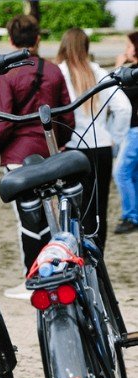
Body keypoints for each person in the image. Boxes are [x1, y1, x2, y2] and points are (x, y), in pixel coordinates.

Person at [0, 14, 75, 300]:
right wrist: (56, 145)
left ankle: (33, 276)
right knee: (52, 217)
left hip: (18, 157)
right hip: (49, 153)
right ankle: (57, 271)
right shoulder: (52, 71)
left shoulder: (7, 75)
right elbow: (66, 117)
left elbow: (0, 124)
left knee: (27, 221)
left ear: (11, 40)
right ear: (37, 39)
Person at [57, 28, 131, 253]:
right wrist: (114, 137)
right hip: (100, 147)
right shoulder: (99, 72)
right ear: (86, 48)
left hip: (71, 147)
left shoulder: (59, 73)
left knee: (70, 208)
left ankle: (73, 254)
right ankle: (97, 260)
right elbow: (123, 108)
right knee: (98, 210)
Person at [113, 32, 138, 235]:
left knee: (121, 173)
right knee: (133, 174)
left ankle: (131, 216)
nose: (126, 49)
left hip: (135, 131)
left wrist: (117, 69)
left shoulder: (134, 73)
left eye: (129, 45)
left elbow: (118, 93)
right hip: (134, 130)